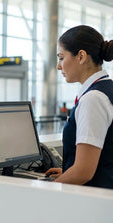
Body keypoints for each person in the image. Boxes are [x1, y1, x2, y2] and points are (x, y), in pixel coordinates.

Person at [45, 25, 113, 189]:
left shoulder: (93, 99)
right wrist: (68, 171)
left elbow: (83, 172)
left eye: (61, 57)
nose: (59, 66)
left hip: (96, 201)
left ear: (81, 56)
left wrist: (48, 190)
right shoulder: (107, 89)